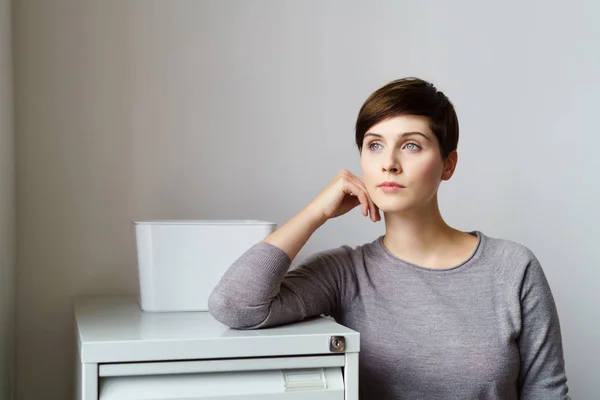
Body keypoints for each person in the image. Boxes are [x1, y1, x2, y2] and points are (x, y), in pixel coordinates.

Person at [208, 77, 570, 399]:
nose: (389, 163)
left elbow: (547, 392)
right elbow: (237, 306)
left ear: (448, 164)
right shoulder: (346, 273)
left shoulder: (513, 268)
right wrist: (316, 211)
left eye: (411, 145)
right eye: (375, 145)